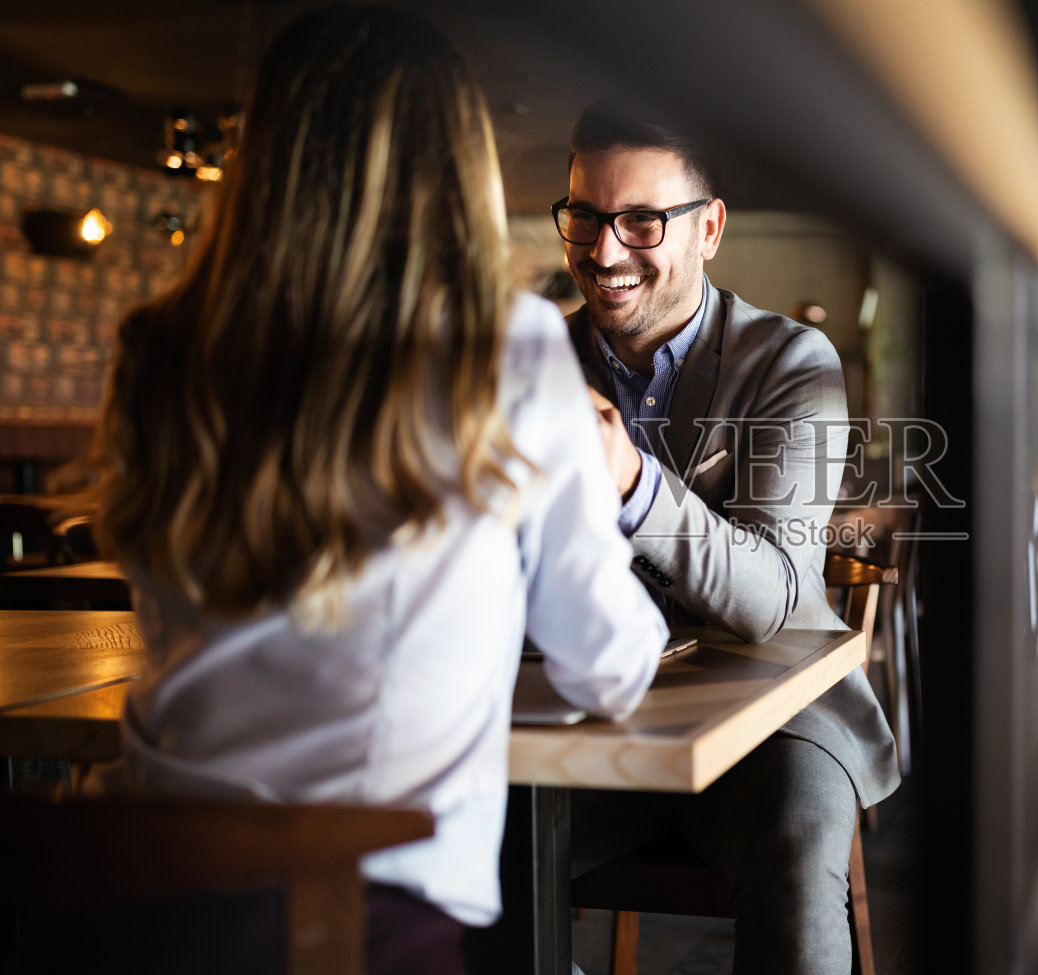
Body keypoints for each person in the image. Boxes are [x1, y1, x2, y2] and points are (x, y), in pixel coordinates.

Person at [84, 7, 666, 972]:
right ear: (458, 168)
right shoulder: (506, 349)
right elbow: (609, 665)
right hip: (346, 914)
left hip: (121, 888)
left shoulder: (163, 347)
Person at [557, 99, 900, 974]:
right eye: (587, 217)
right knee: (452, 840)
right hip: (591, 718)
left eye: (640, 220)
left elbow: (771, 597)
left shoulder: (793, 362)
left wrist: (629, 480)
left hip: (775, 722)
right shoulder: (532, 362)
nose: (603, 251)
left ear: (708, 228)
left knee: (793, 849)